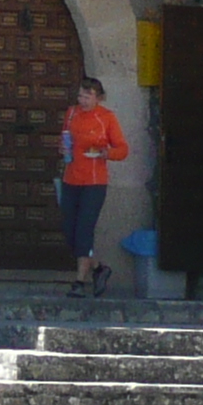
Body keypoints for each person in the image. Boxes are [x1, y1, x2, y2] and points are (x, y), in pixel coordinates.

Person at [59, 77, 130, 298]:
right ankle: (99, 268)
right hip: (71, 178)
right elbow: (65, 138)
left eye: (87, 96)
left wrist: (106, 153)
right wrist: (63, 148)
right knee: (70, 232)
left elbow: (122, 149)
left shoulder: (106, 117)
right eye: (80, 95)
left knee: (84, 231)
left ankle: (79, 281)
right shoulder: (71, 113)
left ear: (98, 98)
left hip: (94, 182)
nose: (83, 100)